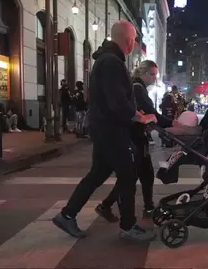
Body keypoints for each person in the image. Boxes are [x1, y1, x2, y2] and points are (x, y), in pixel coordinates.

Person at [52, 21, 156, 241]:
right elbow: (116, 100)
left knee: (97, 174)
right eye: (133, 41)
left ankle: (67, 214)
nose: (133, 45)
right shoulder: (112, 63)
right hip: (112, 131)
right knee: (128, 175)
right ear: (128, 40)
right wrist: (137, 116)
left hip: (103, 129)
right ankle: (128, 226)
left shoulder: (107, 60)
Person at [96, 60, 172, 221]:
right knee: (131, 176)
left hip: (137, 135)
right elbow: (150, 111)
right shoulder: (138, 89)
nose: (154, 78)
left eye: (155, 75)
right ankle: (108, 205)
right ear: (143, 73)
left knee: (145, 173)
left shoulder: (138, 87)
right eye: (152, 74)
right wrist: (170, 123)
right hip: (134, 136)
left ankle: (148, 206)